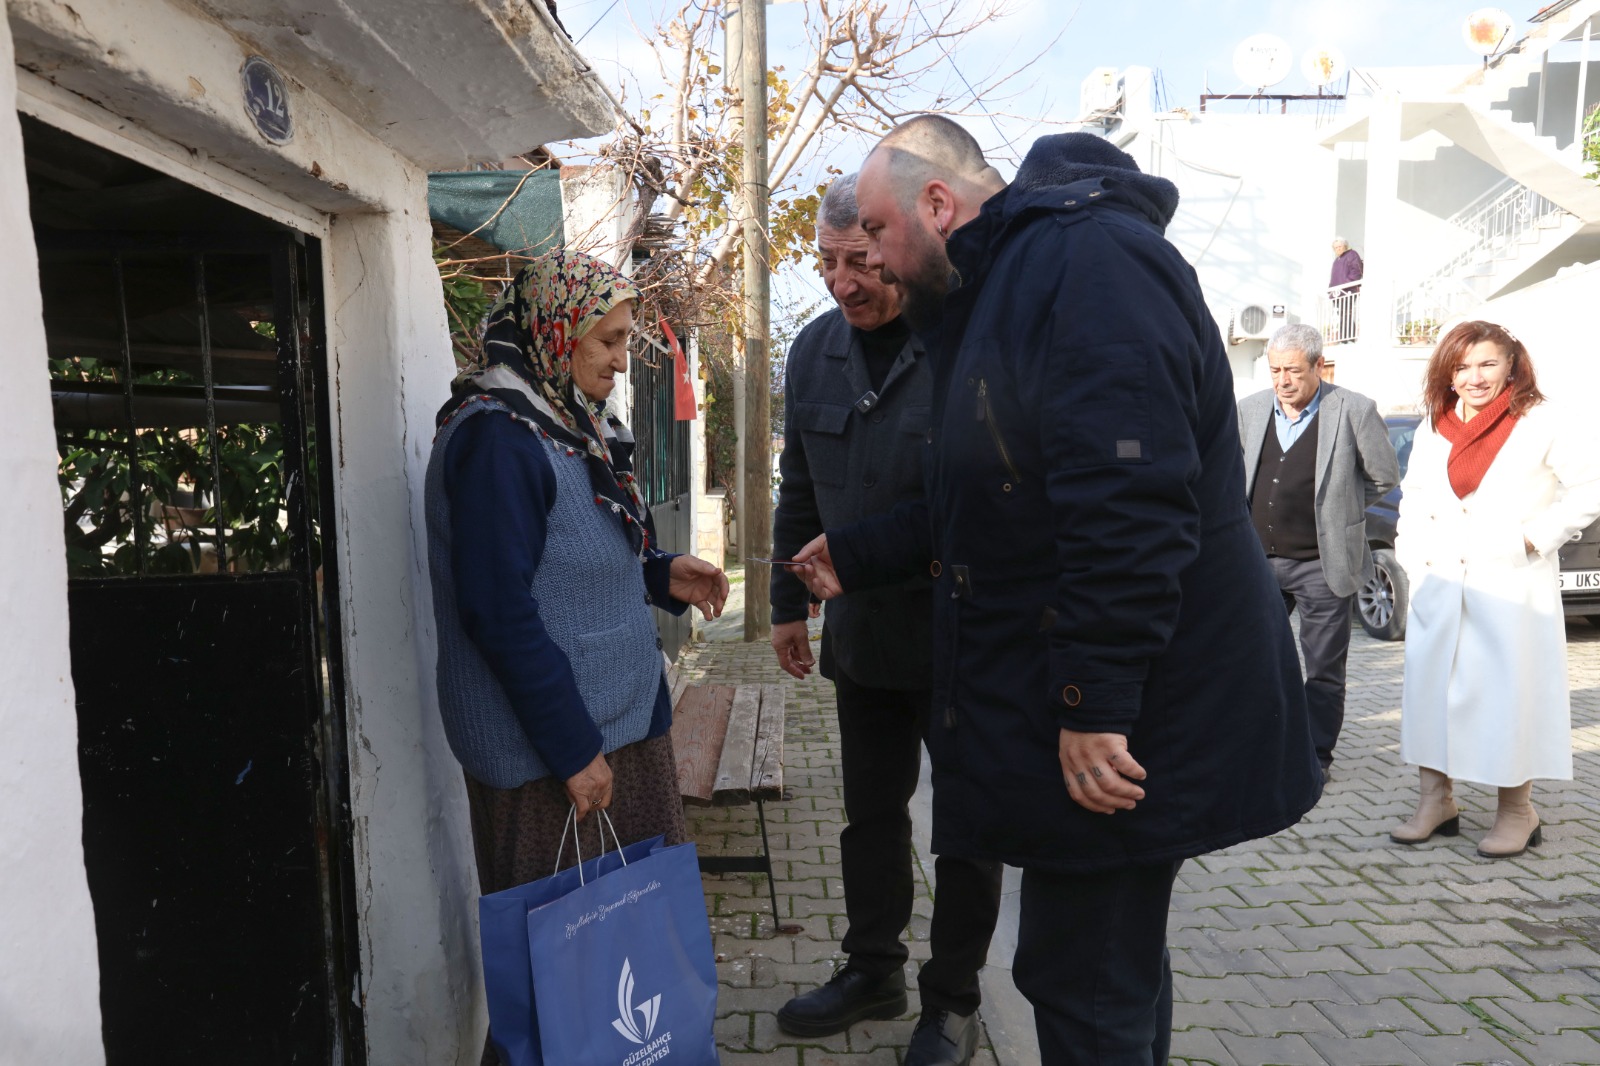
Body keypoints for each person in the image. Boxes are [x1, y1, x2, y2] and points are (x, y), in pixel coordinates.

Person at [791, 117, 1321, 1065]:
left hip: (1129, 718)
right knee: (1105, 966)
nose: (869, 259)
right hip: (1106, 704)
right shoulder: (1006, 284)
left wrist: (1092, 700)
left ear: (938, 205)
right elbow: (996, 500)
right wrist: (858, 555)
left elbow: (1128, 502)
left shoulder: (1086, 266)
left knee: (1083, 975)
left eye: (875, 233)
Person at [423, 251, 729, 968]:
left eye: (626, 340)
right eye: (610, 340)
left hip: (617, 725)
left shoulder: (564, 422)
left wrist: (657, 574)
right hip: (554, 756)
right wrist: (571, 750)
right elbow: (496, 608)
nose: (623, 362)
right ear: (555, 333)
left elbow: (568, 552)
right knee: (565, 972)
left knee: (631, 952)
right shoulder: (499, 438)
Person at [770, 174, 1003, 1066]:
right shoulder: (812, 352)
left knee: (969, 828)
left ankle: (952, 1003)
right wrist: (789, 606)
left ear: (898, 250)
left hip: (959, 640)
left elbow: (984, 501)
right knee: (869, 817)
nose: (842, 282)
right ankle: (873, 969)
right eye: (826, 263)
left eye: (860, 262)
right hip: (860, 638)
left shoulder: (962, 349)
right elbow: (802, 489)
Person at [1390, 321, 1600, 857]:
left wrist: (1530, 541)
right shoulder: (1434, 427)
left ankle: (1517, 811)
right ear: (1447, 372)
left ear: (1512, 363)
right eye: (1461, 366)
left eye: (1487, 363)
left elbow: (1589, 488)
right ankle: (1436, 801)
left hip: (1509, 580)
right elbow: (1413, 498)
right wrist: (1414, 559)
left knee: (1511, 694)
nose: (1474, 377)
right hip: (1441, 577)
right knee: (1430, 690)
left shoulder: (1542, 420)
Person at [1238, 323, 1399, 781]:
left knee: (1324, 669)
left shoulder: (1353, 409)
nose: (1282, 381)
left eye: (1292, 370)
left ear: (1317, 366)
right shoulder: (1249, 411)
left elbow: (1384, 476)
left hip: (1322, 565)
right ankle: (1260, 746)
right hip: (1257, 563)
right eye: (1274, 371)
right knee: (1252, 660)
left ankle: (1314, 758)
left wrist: (1339, 510)